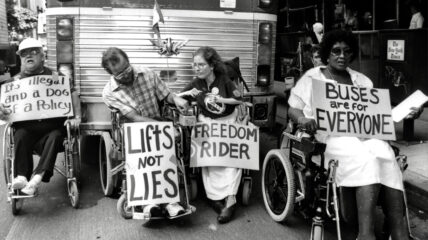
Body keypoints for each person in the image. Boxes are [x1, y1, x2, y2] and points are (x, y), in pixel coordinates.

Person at [288, 30, 421, 240]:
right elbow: (293, 109)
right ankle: (366, 234)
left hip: (364, 135)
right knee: (365, 159)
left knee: (385, 154)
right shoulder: (312, 78)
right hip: (330, 137)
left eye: (347, 51)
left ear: (352, 55)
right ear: (327, 53)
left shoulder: (362, 81)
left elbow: (376, 114)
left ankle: (399, 230)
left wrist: (407, 112)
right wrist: (303, 119)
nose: (342, 56)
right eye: (336, 51)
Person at [101, 47, 189, 217]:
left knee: (167, 154)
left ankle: (171, 201)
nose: (126, 75)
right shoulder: (109, 92)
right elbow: (134, 118)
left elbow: (166, 95)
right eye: (120, 74)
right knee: (142, 159)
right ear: (110, 73)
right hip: (134, 130)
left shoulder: (147, 73)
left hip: (157, 120)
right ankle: (148, 202)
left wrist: (176, 98)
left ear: (128, 61)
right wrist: (162, 128)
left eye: (127, 69)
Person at [0, 38, 81, 196]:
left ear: (43, 57)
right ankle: (22, 177)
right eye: (24, 54)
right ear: (20, 58)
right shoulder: (13, 83)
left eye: (34, 52)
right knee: (20, 134)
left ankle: (37, 178)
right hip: (26, 131)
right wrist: (3, 112)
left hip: (52, 130)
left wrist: (76, 116)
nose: (28, 56)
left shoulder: (56, 78)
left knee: (56, 134)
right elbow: (5, 111)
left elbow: (73, 94)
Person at [179, 46, 249, 224]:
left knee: (231, 163)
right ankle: (217, 200)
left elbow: (239, 99)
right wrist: (184, 98)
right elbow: (178, 98)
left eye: (201, 64)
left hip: (228, 124)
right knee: (210, 165)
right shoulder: (195, 84)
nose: (197, 68)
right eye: (194, 65)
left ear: (212, 65)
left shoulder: (224, 80)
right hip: (207, 126)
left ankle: (230, 200)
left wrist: (221, 100)